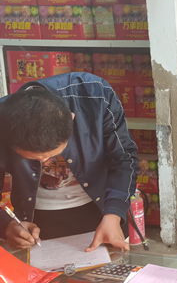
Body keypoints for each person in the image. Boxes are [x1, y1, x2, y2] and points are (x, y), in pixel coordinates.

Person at [0, 72, 139, 252]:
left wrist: (113, 214)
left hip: (102, 210)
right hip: (38, 219)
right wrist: (7, 225)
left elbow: (124, 158)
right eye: (34, 159)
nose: (45, 163)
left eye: (52, 155)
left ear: (71, 119)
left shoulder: (95, 95)